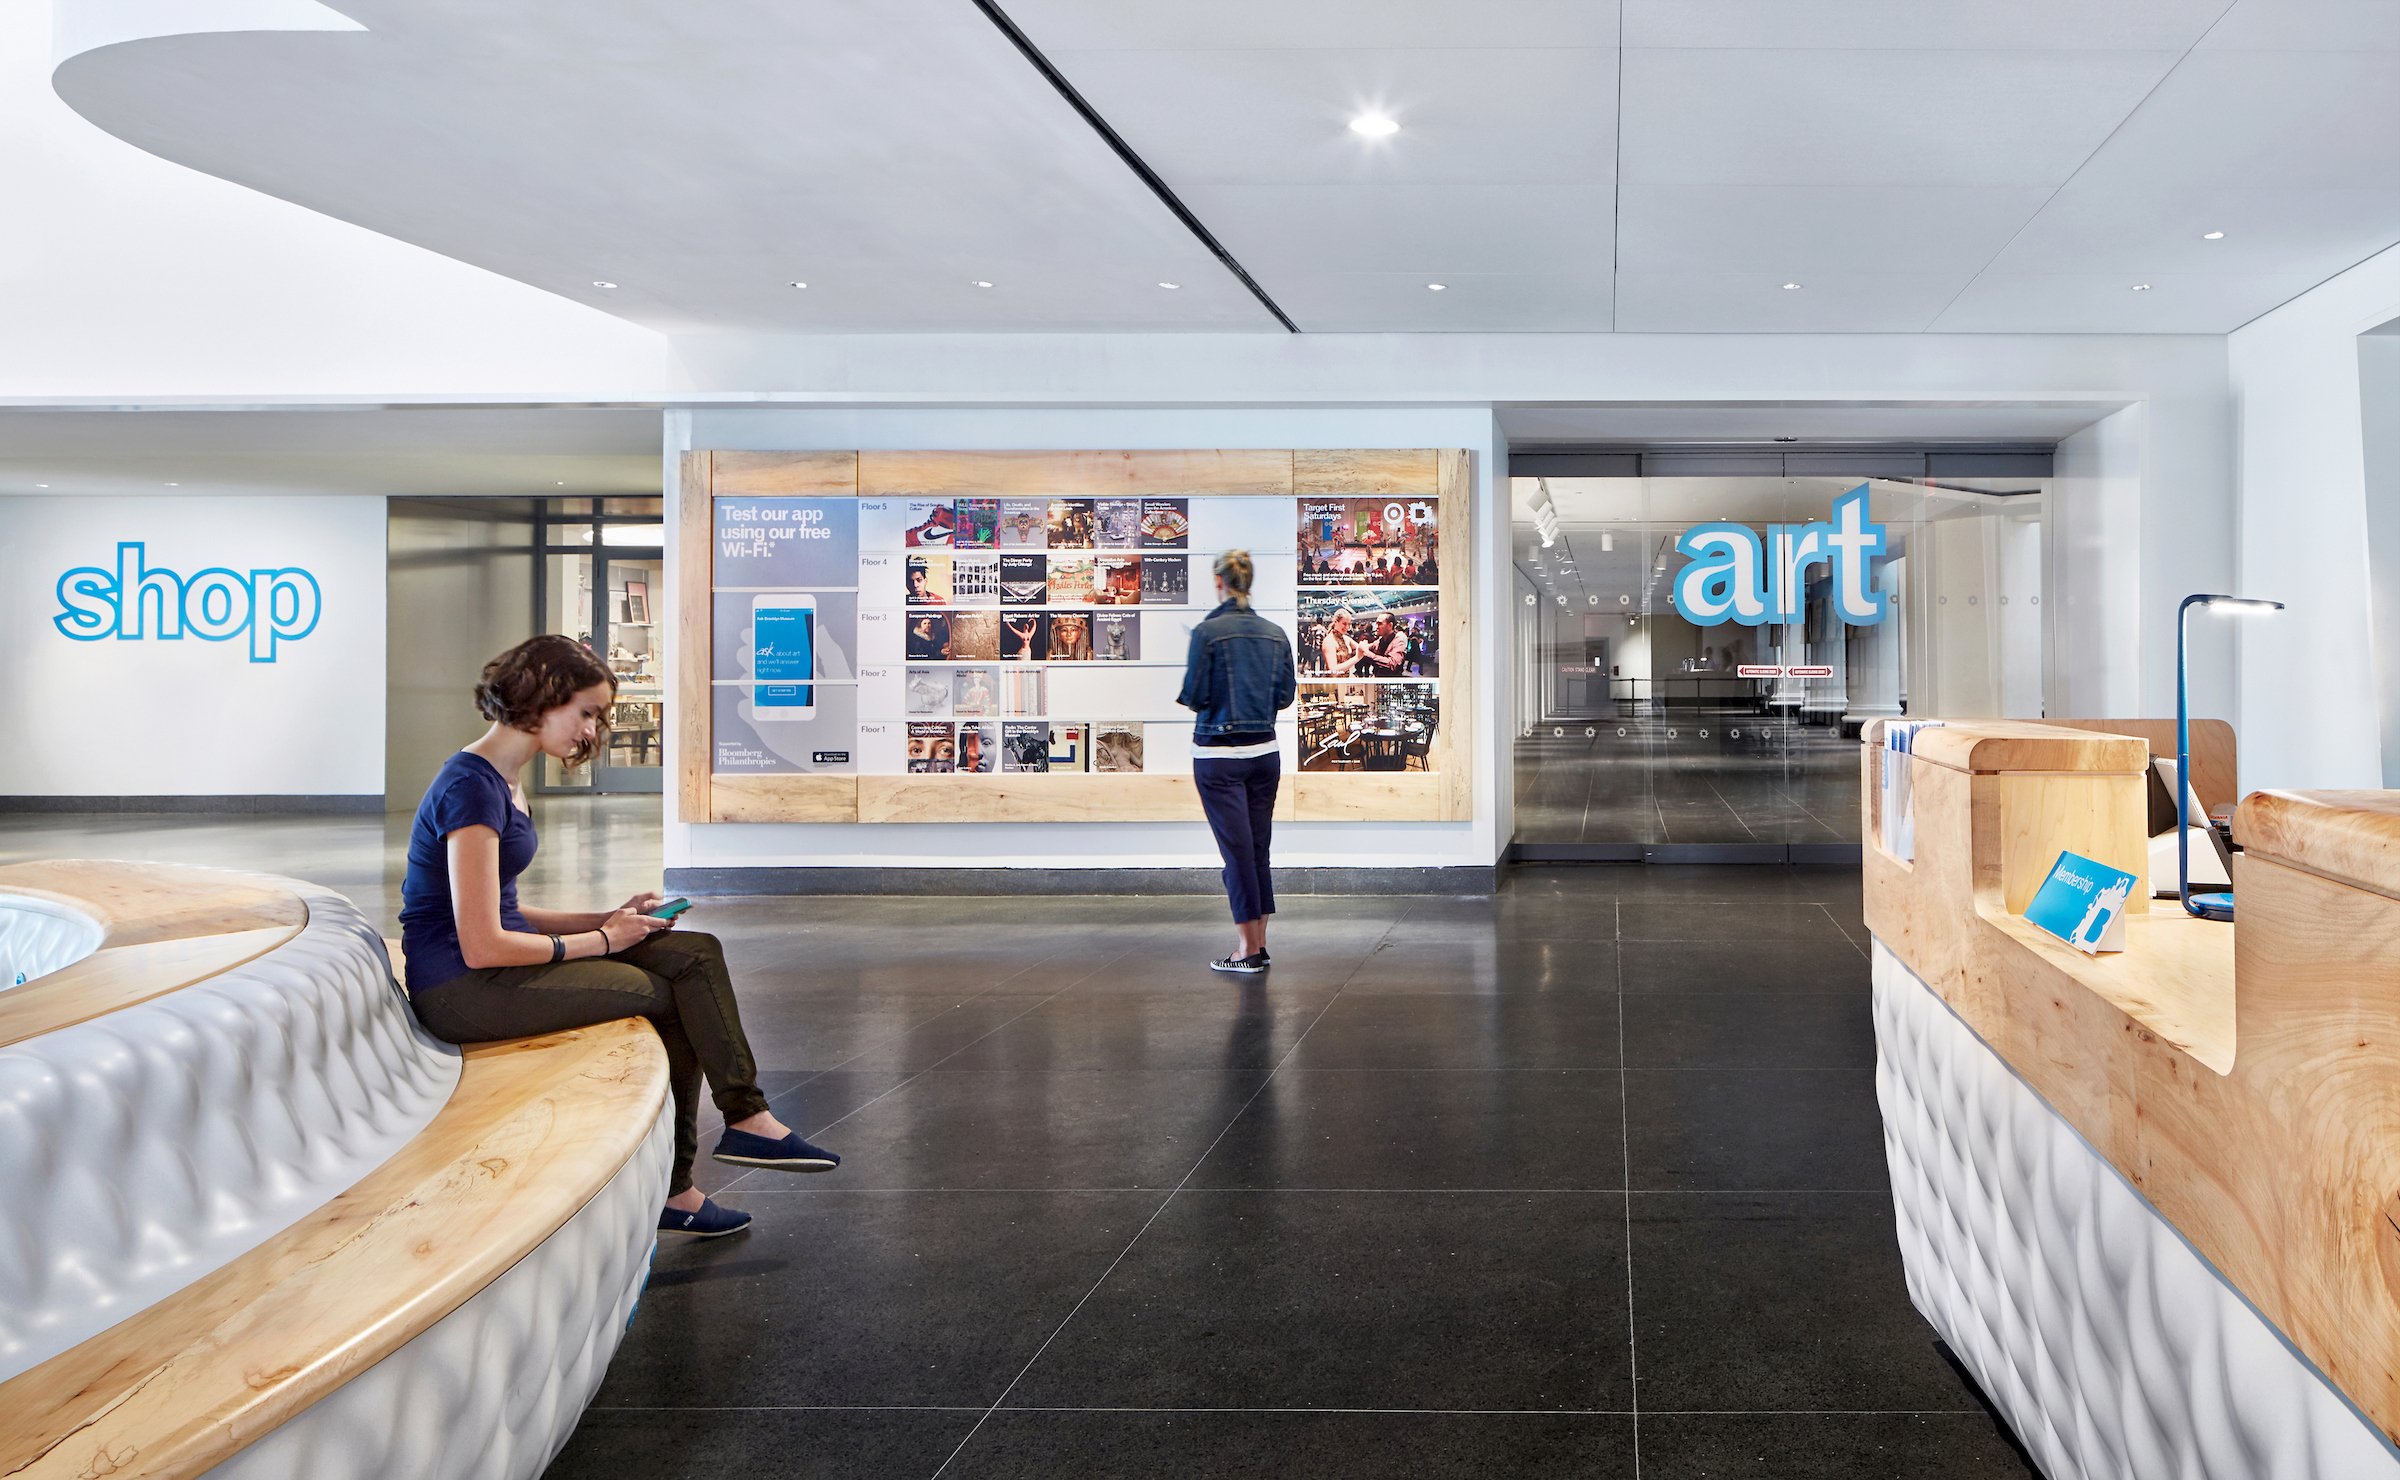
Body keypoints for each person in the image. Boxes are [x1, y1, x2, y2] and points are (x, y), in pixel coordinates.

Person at [398, 635, 837, 1241]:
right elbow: (482, 943)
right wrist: (605, 941)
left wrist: (607, 917)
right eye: (586, 712)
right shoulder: (470, 787)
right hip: (462, 987)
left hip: (491, 966)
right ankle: (683, 1183)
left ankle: (744, 1118)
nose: (591, 731)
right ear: (540, 697)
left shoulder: (501, 778)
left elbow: (508, 909)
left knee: (696, 952)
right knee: (665, 992)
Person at [1177, 550, 1297, 975]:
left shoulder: (1207, 633)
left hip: (1217, 757)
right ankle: (1257, 942)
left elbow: (1193, 697)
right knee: (1257, 849)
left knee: (1237, 854)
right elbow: (1285, 697)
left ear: (1218, 582)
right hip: (1265, 754)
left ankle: (1247, 950)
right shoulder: (1276, 633)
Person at [1317, 607, 1362, 676]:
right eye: (1344, 624)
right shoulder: (1329, 641)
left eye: (1349, 624)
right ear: (1335, 622)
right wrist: (1357, 657)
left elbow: (1361, 647)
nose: (1347, 627)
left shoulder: (1346, 638)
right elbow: (1333, 671)